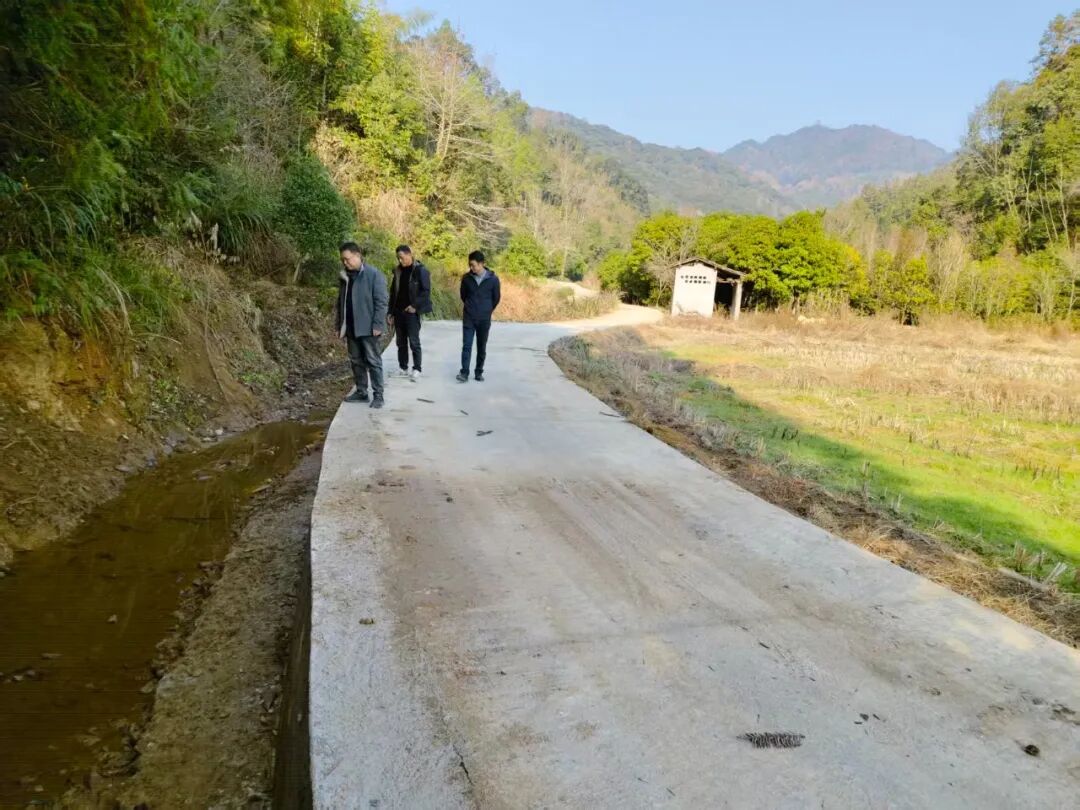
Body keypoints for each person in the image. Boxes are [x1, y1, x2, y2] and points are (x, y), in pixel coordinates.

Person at [335, 242, 388, 408]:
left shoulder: (374, 275)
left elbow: (381, 302)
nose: (345, 263)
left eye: (348, 259)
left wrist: (378, 324)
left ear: (358, 255)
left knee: (373, 361)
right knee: (356, 361)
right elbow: (341, 303)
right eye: (343, 260)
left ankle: (378, 395)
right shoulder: (345, 277)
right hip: (351, 327)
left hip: (368, 327)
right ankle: (361, 392)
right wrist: (339, 325)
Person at [387, 245, 432, 382]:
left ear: (409, 254)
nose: (400, 260)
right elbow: (393, 293)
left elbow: (426, 292)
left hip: (412, 313)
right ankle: (403, 368)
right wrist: (390, 312)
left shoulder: (420, 270)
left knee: (414, 342)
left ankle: (417, 369)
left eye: (402, 257)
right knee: (400, 342)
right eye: (398, 258)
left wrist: (415, 306)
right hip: (398, 312)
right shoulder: (398, 271)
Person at [457, 250, 501, 383]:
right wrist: (470, 307)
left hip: (484, 319)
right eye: (470, 265)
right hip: (469, 317)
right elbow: (463, 296)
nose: (472, 268)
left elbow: (496, 298)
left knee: (481, 347)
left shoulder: (493, 280)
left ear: (482, 264)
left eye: (474, 265)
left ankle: (478, 372)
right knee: (467, 345)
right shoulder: (466, 278)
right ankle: (464, 372)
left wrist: (487, 310)